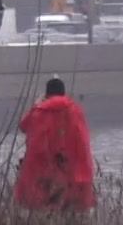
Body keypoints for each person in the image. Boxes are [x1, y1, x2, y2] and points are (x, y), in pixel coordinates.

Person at [15, 77, 95, 212]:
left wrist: (36, 104)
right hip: (71, 172)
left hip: (43, 174)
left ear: (47, 94)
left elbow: (23, 126)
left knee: (44, 210)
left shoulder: (38, 111)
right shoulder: (75, 111)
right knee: (70, 211)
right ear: (64, 93)